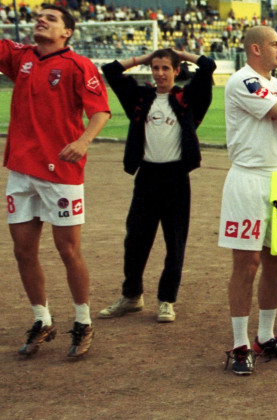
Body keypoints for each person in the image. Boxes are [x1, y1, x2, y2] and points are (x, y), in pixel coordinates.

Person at [2, 5, 110, 358]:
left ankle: (82, 320)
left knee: (68, 250)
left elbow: (100, 111)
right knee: (23, 250)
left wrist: (83, 141)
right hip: (21, 170)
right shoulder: (22, 58)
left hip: (61, 172)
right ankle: (42, 319)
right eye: (39, 17)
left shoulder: (79, 65)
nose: (41, 20)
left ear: (67, 32)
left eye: (51, 18)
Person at [98, 49, 216, 323]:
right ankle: (131, 296)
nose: (160, 73)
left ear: (177, 70)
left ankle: (166, 300)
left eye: (166, 68)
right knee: (136, 239)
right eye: (155, 67)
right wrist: (143, 58)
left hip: (176, 177)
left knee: (174, 241)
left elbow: (207, 66)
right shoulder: (140, 97)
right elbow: (110, 70)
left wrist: (181, 54)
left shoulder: (188, 98)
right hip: (147, 177)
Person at [219, 26, 277, 376]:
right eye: (275, 44)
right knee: (247, 263)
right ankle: (240, 343)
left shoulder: (268, 83)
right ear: (256, 49)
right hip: (248, 178)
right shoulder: (244, 81)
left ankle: (265, 335)